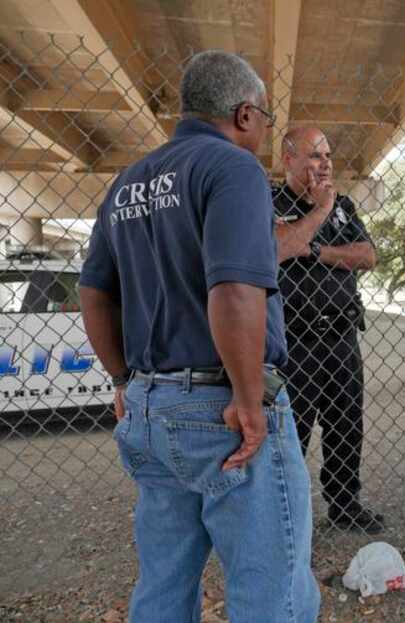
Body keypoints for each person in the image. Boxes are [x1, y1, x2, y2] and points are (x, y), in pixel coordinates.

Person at [78, 50, 319, 622]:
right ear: (241, 114)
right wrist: (247, 398)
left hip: (148, 409)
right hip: (221, 410)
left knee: (164, 582)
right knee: (272, 591)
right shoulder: (232, 169)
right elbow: (236, 290)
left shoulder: (128, 184)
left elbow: (94, 292)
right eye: (263, 118)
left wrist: (121, 379)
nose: (264, 131)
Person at [271, 126, 384, 534]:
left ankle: (344, 503)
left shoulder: (344, 206)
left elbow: (367, 256)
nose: (324, 164)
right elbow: (278, 248)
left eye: (328, 156)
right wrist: (316, 213)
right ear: (288, 160)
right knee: (291, 433)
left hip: (340, 336)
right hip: (293, 341)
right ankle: (285, 516)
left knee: (345, 425)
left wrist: (315, 249)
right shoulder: (270, 201)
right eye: (314, 156)